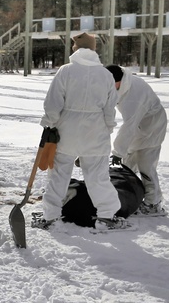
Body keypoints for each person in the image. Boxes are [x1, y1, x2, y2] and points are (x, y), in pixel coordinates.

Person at [33, 32, 125, 231]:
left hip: (67, 132)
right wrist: (108, 128)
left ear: (76, 49)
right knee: (98, 177)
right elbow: (110, 109)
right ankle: (106, 217)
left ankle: (51, 216)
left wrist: (50, 123)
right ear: (93, 50)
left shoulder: (66, 71)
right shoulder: (106, 75)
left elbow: (53, 102)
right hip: (96, 133)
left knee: (58, 175)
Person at [106, 65, 168, 216]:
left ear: (119, 80)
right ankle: (130, 197)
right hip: (139, 127)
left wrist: (117, 151)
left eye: (111, 83)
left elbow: (129, 126)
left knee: (146, 165)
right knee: (127, 165)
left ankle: (153, 204)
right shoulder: (123, 85)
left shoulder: (133, 95)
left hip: (152, 126)